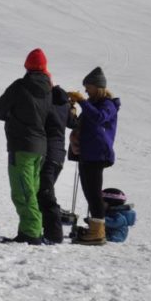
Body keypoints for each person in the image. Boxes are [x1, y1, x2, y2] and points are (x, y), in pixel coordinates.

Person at [0, 48, 53, 245]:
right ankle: (28, 230)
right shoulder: (48, 90)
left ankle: (31, 232)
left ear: (27, 65)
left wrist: (13, 116)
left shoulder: (20, 86)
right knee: (31, 190)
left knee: (22, 191)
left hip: (21, 145)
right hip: (40, 147)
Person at [68, 67, 121, 246]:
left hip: (97, 153)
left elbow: (99, 118)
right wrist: (73, 109)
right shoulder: (92, 103)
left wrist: (83, 102)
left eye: (88, 87)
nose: (85, 91)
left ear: (98, 87)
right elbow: (82, 123)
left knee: (94, 192)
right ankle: (95, 229)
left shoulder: (108, 105)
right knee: (89, 191)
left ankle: (98, 231)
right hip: (87, 153)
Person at [39, 79, 78, 243]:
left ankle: (54, 234)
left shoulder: (48, 105)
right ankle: (48, 231)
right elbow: (73, 123)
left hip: (48, 155)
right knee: (43, 192)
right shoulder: (64, 105)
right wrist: (73, 109)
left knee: (45, 194)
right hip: (58, 156)